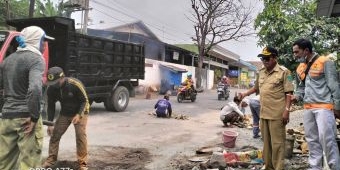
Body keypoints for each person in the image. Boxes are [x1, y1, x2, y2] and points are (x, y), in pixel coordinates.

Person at [0, 26, 53, 170]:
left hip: (7, 118)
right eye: (43, 42)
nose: (44, 46)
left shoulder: (7, 60)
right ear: (36, 41)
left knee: (4, 163)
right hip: (26, 118)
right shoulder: (36, 59)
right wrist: (34, 117)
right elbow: (35, 89)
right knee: (29, 163)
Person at [239, 46, 294, 170]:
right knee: (267, 144)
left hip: (277, 115)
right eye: (263, 58)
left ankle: (278, 167)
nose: (264, 60)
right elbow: (256, 88)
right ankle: (268, 166)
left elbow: (289, 93)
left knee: (277, 144)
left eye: (267, 58)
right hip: (263, 113)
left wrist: (287, 111)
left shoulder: (284, 72)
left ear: (275, 58)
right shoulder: (261, 72)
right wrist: (244, 94)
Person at [291, 38, 340, 169]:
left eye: (297, 52)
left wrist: (337, 107)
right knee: (312, 140)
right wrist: (297, 96)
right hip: (308, 107)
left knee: (327, 140)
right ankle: (315, 167)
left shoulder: (325, 62)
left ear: (306, 50)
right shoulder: (300, 67)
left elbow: (334, 86)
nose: (294, 55)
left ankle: (335, 167)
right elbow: (301, 86)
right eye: (294, 52)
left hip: (324, 107)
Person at [42, 67, 90, 170]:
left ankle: (82, 163)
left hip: (80, 111)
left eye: (56, 82)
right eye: (52, 83)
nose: (54, 85)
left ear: (62, 77)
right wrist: (50, 123)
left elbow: (84, 101)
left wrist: (78, 115)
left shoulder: (74, 84)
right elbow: (50, 106)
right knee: (55, 135)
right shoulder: (51, 89)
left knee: (80, 136)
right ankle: (51, 160)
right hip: (65, 113)